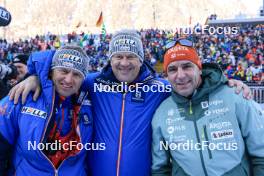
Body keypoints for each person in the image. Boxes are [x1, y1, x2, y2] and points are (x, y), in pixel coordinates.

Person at [9, 30, 251, 176]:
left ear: (141, 59)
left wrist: (226, 83)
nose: (124, 63)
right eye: (118, 56)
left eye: (131, 57)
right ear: (110, 59)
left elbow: (191, 83)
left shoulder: (158, 88)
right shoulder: (92, 83)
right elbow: (63, 71)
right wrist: (35, 76)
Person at [151, 39, 264, 176]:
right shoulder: (162, 112)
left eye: (187, 66)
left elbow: (261, 154)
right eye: (172, 69)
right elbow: (160, 169)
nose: (180, 75)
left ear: (199, 68)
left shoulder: (236, 95)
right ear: (166, 75)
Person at [0, 45, 93, 175]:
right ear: (51, 71)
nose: (68, 79)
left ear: (83, 79)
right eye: (64, 71)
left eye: (77, 74)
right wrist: (35, 77)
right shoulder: (21, 96)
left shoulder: (90, 101)